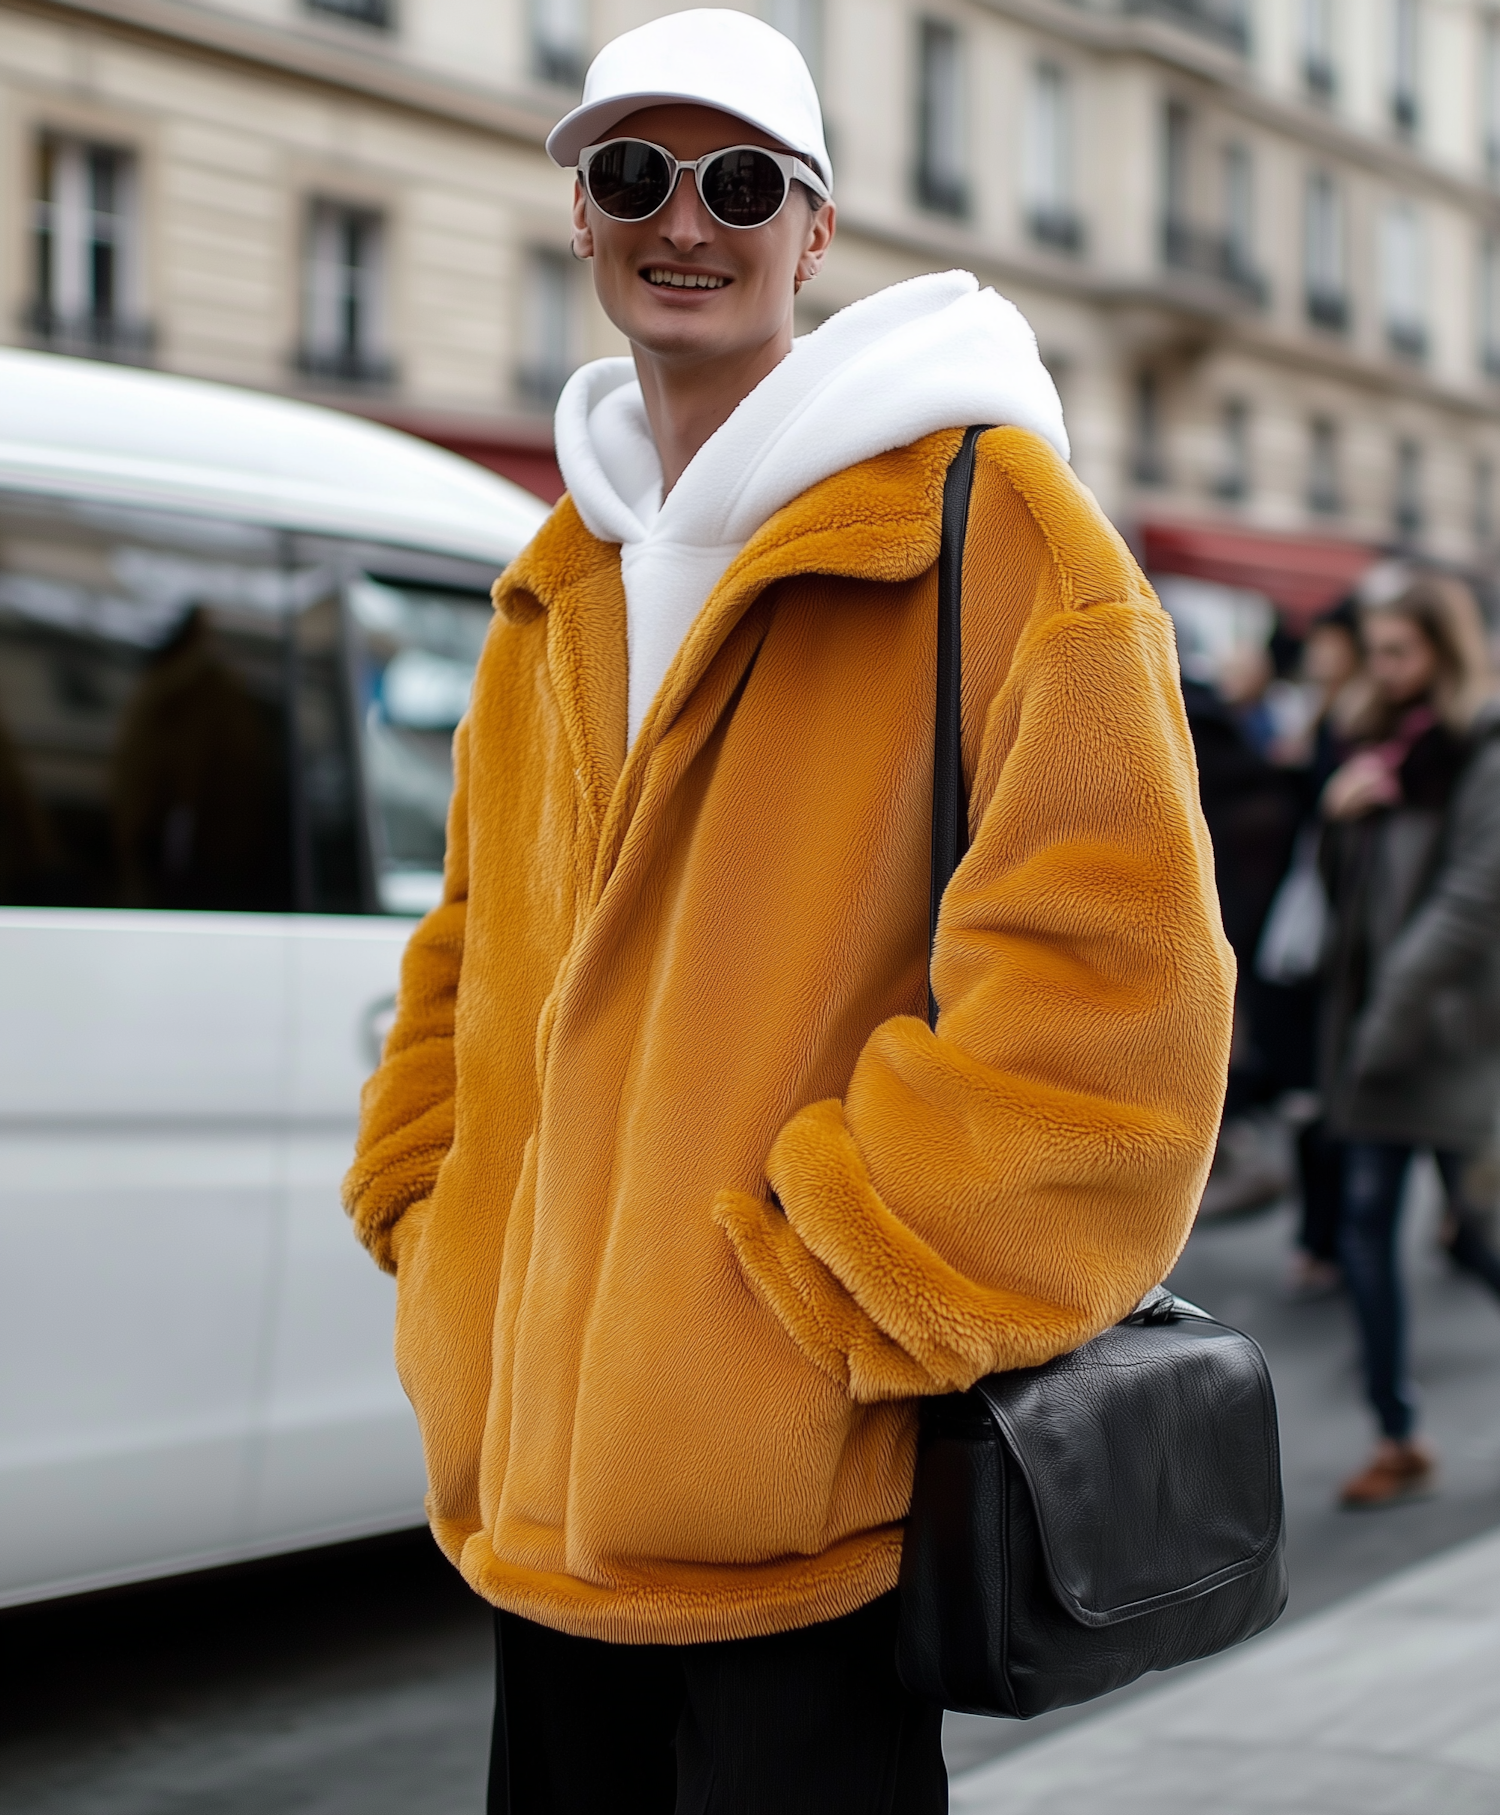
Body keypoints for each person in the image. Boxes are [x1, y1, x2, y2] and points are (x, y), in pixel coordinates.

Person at [343, 12, 1234, 1810]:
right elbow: (469, 942)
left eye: (742, 182)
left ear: (815, 233)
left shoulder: (993, 528)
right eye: (635, 174)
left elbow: (1115, 1008)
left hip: (802, 1537)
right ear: (581, 215)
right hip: (533, 1520)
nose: (686, 219)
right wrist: (431, 1208)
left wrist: (823, 1305)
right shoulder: (560, 575)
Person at [1318, 577, 1500, 1509]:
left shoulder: (1480, 749)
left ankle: (1398, 1433)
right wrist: (1336, 815)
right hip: (1370, 1032)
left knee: (1477, 1234)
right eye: (1376, 650)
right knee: (1363, 1229)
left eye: (1401, 651)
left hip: (1446, 1035)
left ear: (1444, 650)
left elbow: (1470, 901)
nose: (1383, 668)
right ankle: (1398, 1435)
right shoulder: (1369, 741)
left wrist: (1386, 1021)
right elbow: (1340, 901)